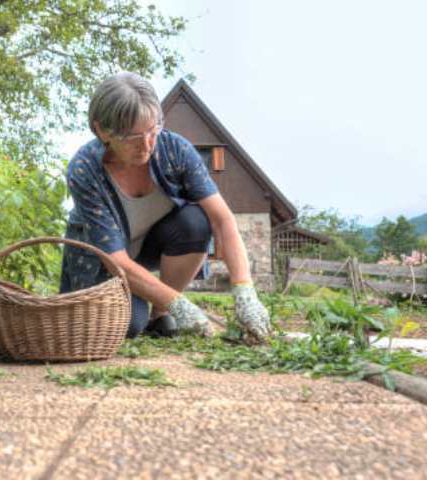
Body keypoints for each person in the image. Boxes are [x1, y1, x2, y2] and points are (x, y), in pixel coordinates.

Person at [59, 72, 271, 342]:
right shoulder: (84, 169)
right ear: (102, 131)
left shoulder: (175, 150)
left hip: (150, 247)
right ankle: (156, 308)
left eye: (152, 131)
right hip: (105, 263)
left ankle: (160, 314)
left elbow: (222, 220)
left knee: (196, 221)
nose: (147, 145)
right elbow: (116, 260)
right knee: (128, 325)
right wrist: (180, 303)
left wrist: (245, 291)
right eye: (133, 138)